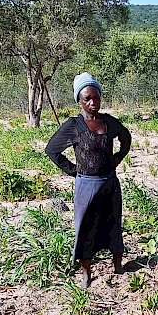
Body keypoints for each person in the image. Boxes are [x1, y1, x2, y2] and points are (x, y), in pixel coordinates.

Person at [45, 72, 131, 288]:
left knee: (113, 224)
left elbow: (126, 137)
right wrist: (74, 171)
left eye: (96, 97)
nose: (93, 103)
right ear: (79, 101)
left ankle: (118, 265)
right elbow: (52, 150)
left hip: (110, 183)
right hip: (87, 186)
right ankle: (86, 273)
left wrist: (118, 158)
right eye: (87, 99)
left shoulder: (109, 122)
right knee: (85, 229)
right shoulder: (74, 126)